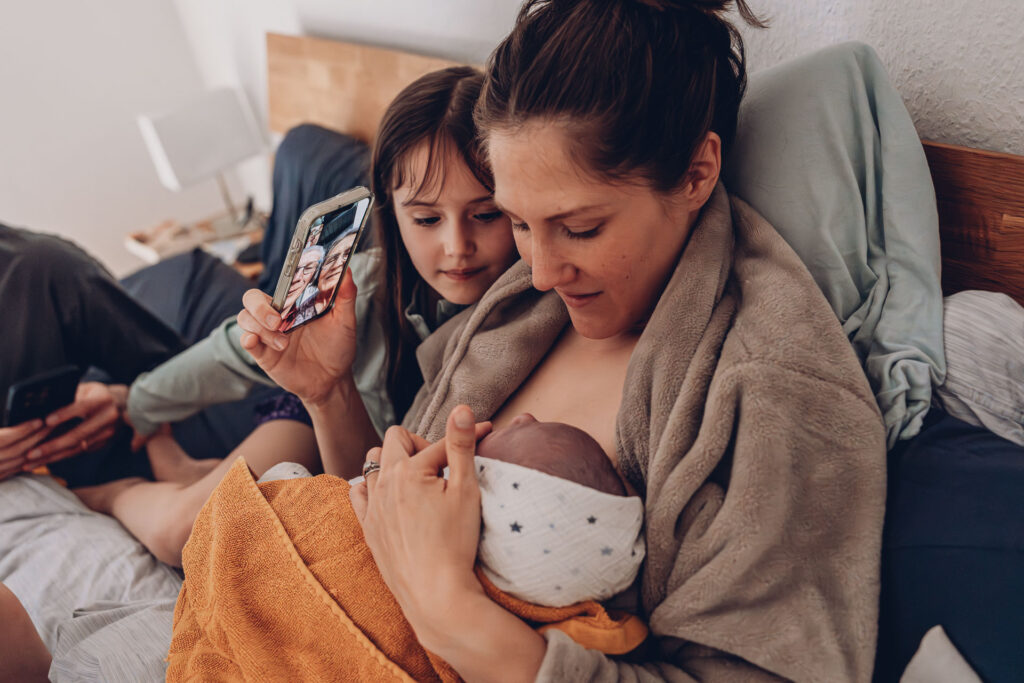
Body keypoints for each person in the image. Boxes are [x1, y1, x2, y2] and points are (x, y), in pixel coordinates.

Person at [236, 0, 886, 681]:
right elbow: (379, 549)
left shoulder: (772, 387)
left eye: (579, 229)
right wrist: (330, 392)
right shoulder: (516, 309)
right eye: (517, 221)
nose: (541, 270)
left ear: (696, 174)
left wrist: (451, 614)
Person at [71, 65, 519, 567]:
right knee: (187, 529)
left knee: (192, 527)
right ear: (390, 212)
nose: (457, 248)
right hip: (311, 408)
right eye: (427, 219)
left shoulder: (521, 323)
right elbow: (234, 351)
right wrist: (141, 404)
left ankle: (175, 473)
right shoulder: (365, 282)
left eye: (486, 214)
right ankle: (106, 495)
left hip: (342, 430)